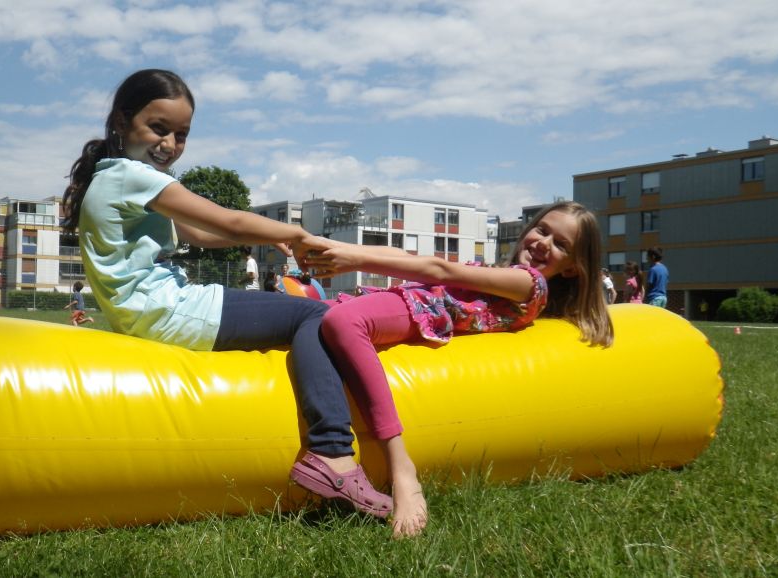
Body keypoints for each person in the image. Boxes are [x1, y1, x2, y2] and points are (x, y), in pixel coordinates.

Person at [61, 69, 392, 521]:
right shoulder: (132, 176)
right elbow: (228, 220)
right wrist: (295, 233)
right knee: (314, 314)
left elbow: (200, 233)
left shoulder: (114, 177)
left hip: (155, 310)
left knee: (301, 312)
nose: (170, 144)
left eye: (181, 134)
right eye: (158, 128)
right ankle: (333, 453)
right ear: (122, 121)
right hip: (169, 311)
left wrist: (270, 238)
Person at [304, 201, 614, 538]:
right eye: (542, 230)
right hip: (408, 300)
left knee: (344, 320)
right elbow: (404, 256)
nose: (543, 243)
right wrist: (330, 246)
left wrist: (356, 260)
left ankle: (401, 467)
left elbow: (441, 271)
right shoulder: (500, 272)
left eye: (561, 244)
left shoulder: (531, 284)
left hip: (421, 309)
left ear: (572, 268)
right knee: (304, 316)